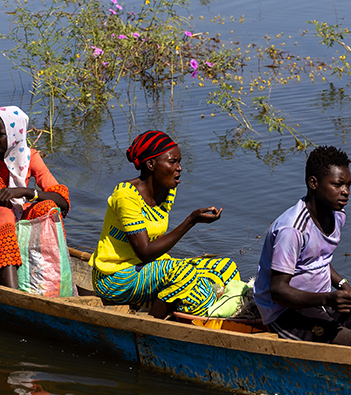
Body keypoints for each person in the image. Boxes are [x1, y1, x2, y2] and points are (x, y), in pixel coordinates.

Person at [254, 146, 351, 349]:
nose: (345, 192)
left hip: (321, 301)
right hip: (285, 311)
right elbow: (277, 291)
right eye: (338, 185)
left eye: (348, 185)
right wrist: (329, 298)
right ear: (313, 183)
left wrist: (346, 291)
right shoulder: (293, 230)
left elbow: (318, 260)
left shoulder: (337, 215)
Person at [90, 130, 239, 319]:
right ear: (151, 164)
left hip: (146, 269)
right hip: (114, 277)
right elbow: (144, 251)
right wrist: (190, 221)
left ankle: (196, 301)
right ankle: (152, 324)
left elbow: (153, 247)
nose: (179, 168)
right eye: (173, 161)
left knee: (226, 267)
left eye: (179, 161)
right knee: (183, 274)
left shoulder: (167, 190)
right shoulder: (126, 196)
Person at [0, 106, 70, 290]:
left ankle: (58, 281)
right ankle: (11, 292)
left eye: (0, 134)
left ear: (14, 136)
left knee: (48, 208)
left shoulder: (29, 157)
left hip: (19, 220)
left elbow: (62, 201)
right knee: (4, 214)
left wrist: (26, 192)